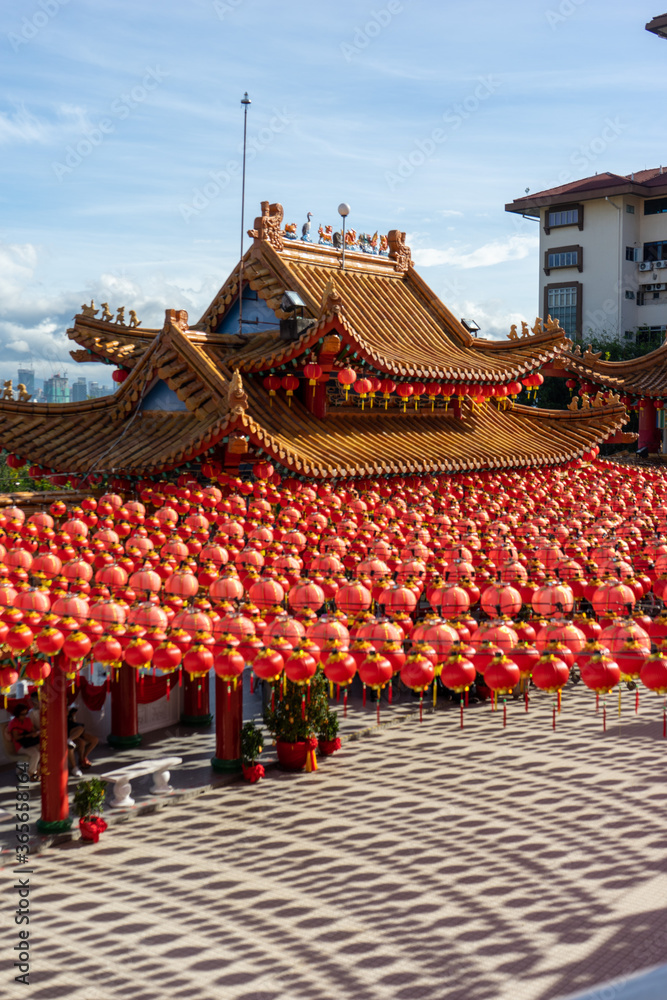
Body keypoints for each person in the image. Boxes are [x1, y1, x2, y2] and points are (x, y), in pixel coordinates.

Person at [7, 704, 40, 780]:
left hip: (31, 743)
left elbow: (33, 730)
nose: (25, 715)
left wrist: (35, 733)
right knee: (36, 754)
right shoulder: (13, 723)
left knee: (43, 750)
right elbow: (16, 737)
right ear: (17, 714)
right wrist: (28, 735)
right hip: (20, 745)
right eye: (23, 714)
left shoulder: (27, 720)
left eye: (26, 713)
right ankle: (30, 773)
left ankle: (38, 770)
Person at [67, 705, 98, 773]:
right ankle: (79, 762)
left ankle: (83, 757)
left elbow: (74, 722)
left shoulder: (71, 708)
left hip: (75, 730)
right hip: (68, 732)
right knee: (81, 742)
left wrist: (73, 715)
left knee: (94, 740)